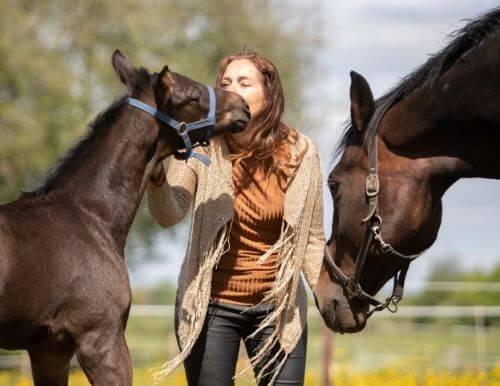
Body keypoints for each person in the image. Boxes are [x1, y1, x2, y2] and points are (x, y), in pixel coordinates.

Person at [146, 48, 325, 386]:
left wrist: (330, 295)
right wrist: (155, 175)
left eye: (245, 83)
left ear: (268, 93)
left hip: (279, 308)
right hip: (212, 306)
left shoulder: (302, 152)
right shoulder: (201, 147)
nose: (233, 89)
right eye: (226, 83)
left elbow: (313, 239)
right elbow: (170, 211)